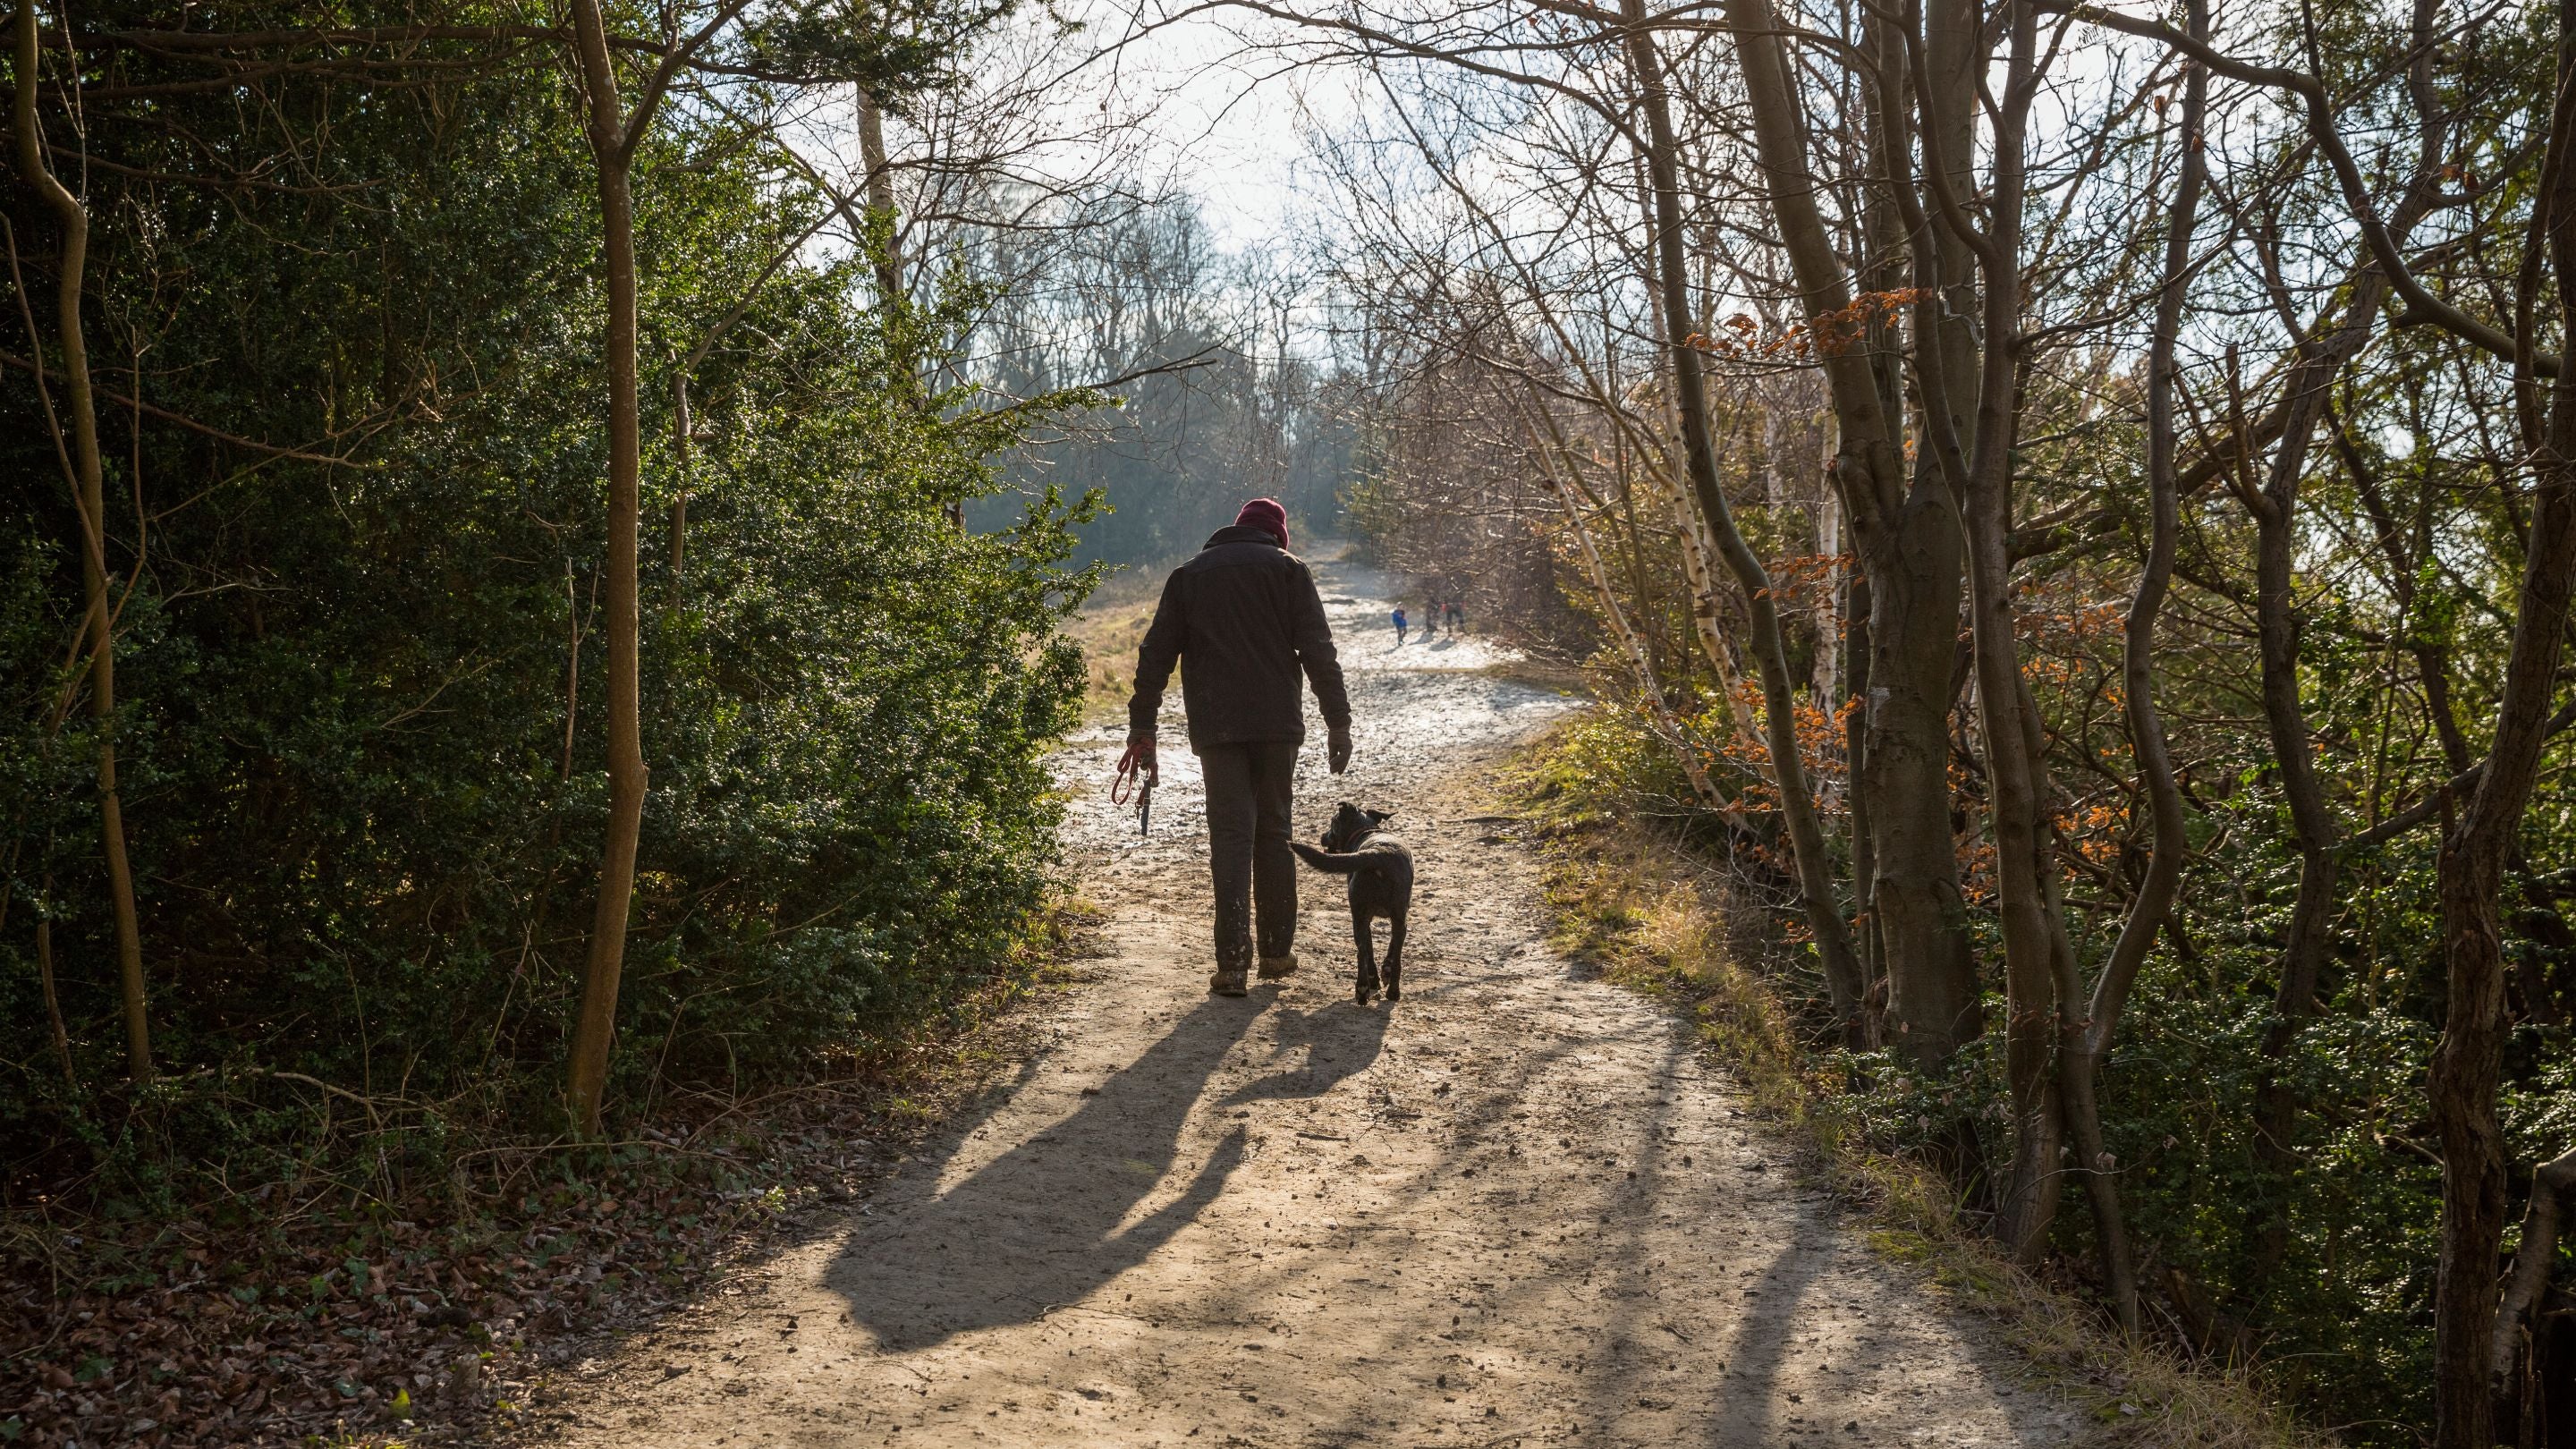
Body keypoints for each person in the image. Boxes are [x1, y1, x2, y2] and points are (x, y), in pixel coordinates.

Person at [1121, 499, 1352, 996]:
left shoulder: (1189, 576)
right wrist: (1339, 722)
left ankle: (1231, 965)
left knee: (1230, 838)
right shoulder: (1289, 572)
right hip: (1276, 726)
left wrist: (1144, 727)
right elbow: (1318, 651)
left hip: (1217, 725)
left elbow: (1154, 655)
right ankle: (1274, 953)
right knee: (1274, 833)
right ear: (1276, 536)